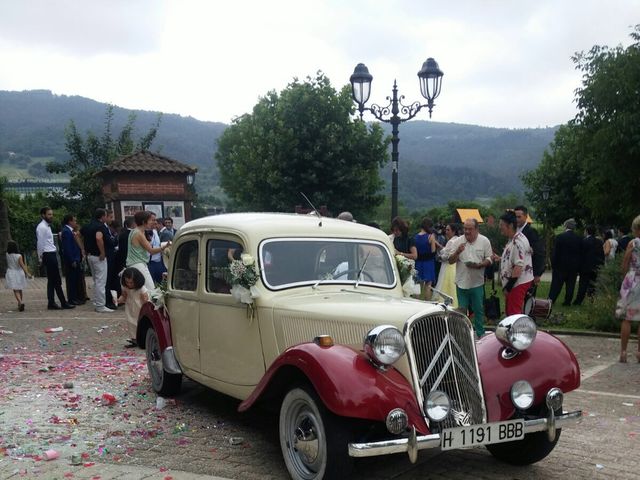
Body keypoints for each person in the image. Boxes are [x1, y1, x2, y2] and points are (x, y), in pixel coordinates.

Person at [445, 219, 493, 337]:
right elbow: (450, 261)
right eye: (465, 228)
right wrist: (457, 252)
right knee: (462, 311)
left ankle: (480, 334)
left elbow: (490, 258)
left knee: (478, 310)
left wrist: (481, 264)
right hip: (461, 282)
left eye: (470, 229)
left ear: (477, 229)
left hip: (477, 282)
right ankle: (463, 334)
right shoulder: (458, 241)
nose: (467, 231)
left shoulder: (484, 241)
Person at [36, 206, 74, 310]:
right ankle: (62, 302)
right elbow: (40, 243)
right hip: (48, 254)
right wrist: (40, 258)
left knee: (52, 280)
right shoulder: (42, 227)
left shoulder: (47, 226)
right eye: (49, 214)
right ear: (43, 215)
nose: (51, 216)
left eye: (52, 214)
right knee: (56, 279)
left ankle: (52, 302)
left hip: (50, 253)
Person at [498, 211, 534, 315]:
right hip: (517, 283)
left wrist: (508, 288)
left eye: (502, 225)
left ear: (510, 225)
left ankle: (515, 331)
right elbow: (514, 258)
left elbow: (518, 267)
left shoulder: (517, 242)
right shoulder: (515, 238)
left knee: (514, 314)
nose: (500, 227)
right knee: (511, 312)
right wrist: (501, 258)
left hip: (517, 284)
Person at [615, 215, 640, 363]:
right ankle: (639, 352)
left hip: (632, 280)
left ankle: (623, 352)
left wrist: (626, 276)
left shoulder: (633, 243)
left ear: (636, 228)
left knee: (627, 318)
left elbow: (625, 263)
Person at [80, 208, 114, 313]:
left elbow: (77, 234)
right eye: (105, 215)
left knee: (96, 280)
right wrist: (102, 252)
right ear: (102, 216)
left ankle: (96, 301)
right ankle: (100, 305)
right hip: (99, 257)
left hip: (90, 256)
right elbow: (99, 238)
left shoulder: (87, 225)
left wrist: (82, 248)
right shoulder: (100, 226)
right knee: (101, 281)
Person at [126, 210, 169, 291]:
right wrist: (164, 247)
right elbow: (151, 251)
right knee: (151, 290)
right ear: (143, 222)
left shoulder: (134, 231)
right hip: (139, 264)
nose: (152, 222)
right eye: (150, 220)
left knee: (141, 291)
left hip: (134, 264)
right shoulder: (139, 234)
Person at [548, 218, 582, 306]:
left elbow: (555, 252)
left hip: (560, 265)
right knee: (571, 285)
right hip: (573, 266)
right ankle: (567, 301)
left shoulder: (560, 237)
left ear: (566, 226)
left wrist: (553, 264)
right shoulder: (578, 238)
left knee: (556, 284)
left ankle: (551, 300)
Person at [117, 267, 149, 348]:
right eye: (127, 282)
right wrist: (118, 300)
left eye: (131, 282)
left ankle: (142, 340)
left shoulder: (141, 289)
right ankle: (134, 339)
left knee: (139, 324)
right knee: (131, 323)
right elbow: (123, 296)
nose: (129, 284)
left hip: (139, 308)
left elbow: (146, 300)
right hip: (130, 308)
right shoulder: (125, 288)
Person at [514, 205, 545, 286]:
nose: (516, 219)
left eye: (519, 217)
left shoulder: (531, 232)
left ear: (526, 217)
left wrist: (537, 274)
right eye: (515, 217)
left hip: (529, 272)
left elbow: (539, 253)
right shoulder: (514, 231)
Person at [574, 225, 605, 305]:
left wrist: (578, 267)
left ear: (587, 231)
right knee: (593, 284)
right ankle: (591, 299)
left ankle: (578, 300)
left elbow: (580, 255)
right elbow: (602, 255)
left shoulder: (584, 241)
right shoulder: (599, 242)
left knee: (583, 285)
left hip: (585, 267)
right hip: (595, 267)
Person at [60, 213, 83, 305]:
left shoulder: (70, 231)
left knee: (75, 279)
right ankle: (72, 298)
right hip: (72, 259)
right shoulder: (66, 231)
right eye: (74, 220)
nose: (75, 222)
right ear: (70, 221)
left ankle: (75, 297)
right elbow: (67, 247)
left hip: (75, 258)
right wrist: (72, 259)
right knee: (72, 280)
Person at [435, 223, 459, 307]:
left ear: (453, 231)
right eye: (446, 229)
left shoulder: (451, 241)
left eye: (448, 230)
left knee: (445, 284)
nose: (446, 231)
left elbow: (446, 255)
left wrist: (440, 257)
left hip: (448, 265)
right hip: (455, 266)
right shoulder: (458, 240)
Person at [414, 217, 438, 300]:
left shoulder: (415, 237)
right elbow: (433, 251)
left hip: (418, 263)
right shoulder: (431, 236)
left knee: (417, 285)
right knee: (428, 286)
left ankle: (416, 302)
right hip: (428, 263)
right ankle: (427, 303)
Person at [4, 240, 31, 311]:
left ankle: (20, 302)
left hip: (11, 272)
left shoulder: (7, 254)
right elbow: (22, 265)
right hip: (19, 273)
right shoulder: (19, 256)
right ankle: (20, 303)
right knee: (20, 288)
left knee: (15, 290)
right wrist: (27, 273)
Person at [148, 215, 167, 284]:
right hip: (150, 262)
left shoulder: (155, 232)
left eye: (155, 220)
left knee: (161, 283)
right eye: (153, 220)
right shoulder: (144, 232)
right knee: (151, 283)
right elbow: (150, 250)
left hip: (158, 261)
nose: (155, 222)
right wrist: (162, 248)